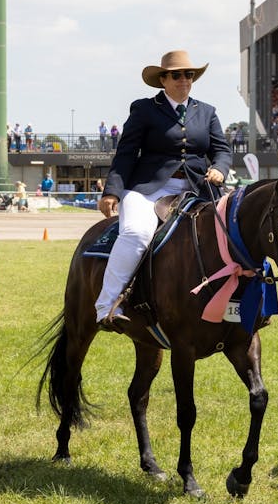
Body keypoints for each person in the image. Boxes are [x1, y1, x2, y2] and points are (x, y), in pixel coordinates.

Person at [94, 49, 232, 329]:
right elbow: (126, 153)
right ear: (164, 79)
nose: (184, 80)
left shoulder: (207, 112)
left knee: (237, 233)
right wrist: (112, 191)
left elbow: (222, 150)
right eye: (177, 75)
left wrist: (219, 167)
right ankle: (105, 306)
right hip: (149, 189)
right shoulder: (144, 109)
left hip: (199, 190)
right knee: (136, 233)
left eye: (189, 75)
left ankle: (243, 308)